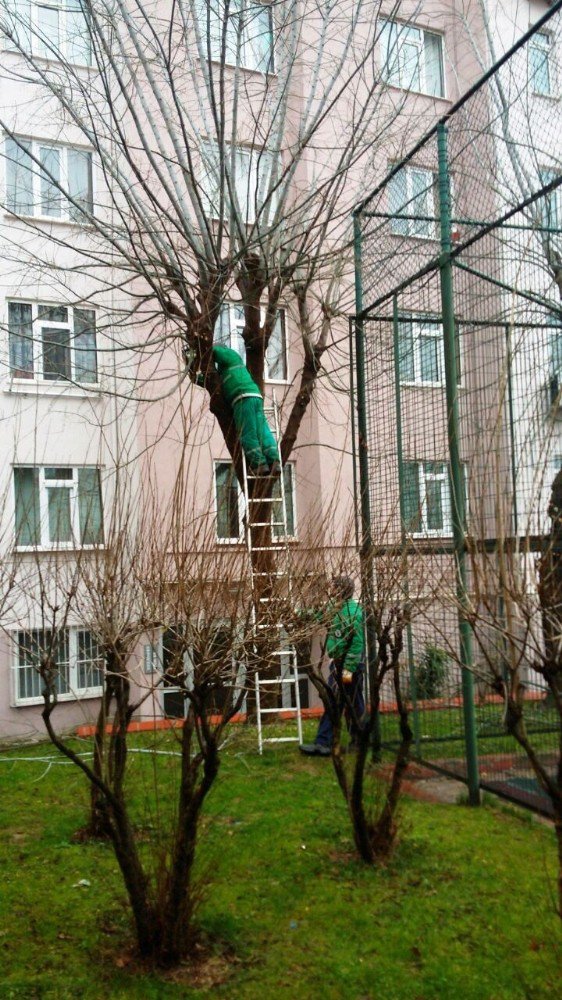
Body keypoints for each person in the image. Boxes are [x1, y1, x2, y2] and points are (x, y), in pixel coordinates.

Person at [299, 576, 365, 756]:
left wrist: (347, 670)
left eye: (333, 587)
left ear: (341, 590)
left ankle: (324, 743)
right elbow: (319, 615)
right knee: (352, 703)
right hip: (338, 664)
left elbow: (357, 643)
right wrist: (298, 614)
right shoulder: (336, 608)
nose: (330, 589)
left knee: (335, 701)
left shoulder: (353, 612)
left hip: (349, 665)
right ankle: (358, 740)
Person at [193, 344, 281, 476]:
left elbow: (216, 351)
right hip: (254, 396)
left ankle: (259, 464)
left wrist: (200, 352)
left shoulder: (231, 356)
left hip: (243, 398)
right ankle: (273, 461)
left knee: (248, 432)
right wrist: (194, 375)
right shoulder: (227, 372)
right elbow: (207, 381)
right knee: (262, 431)